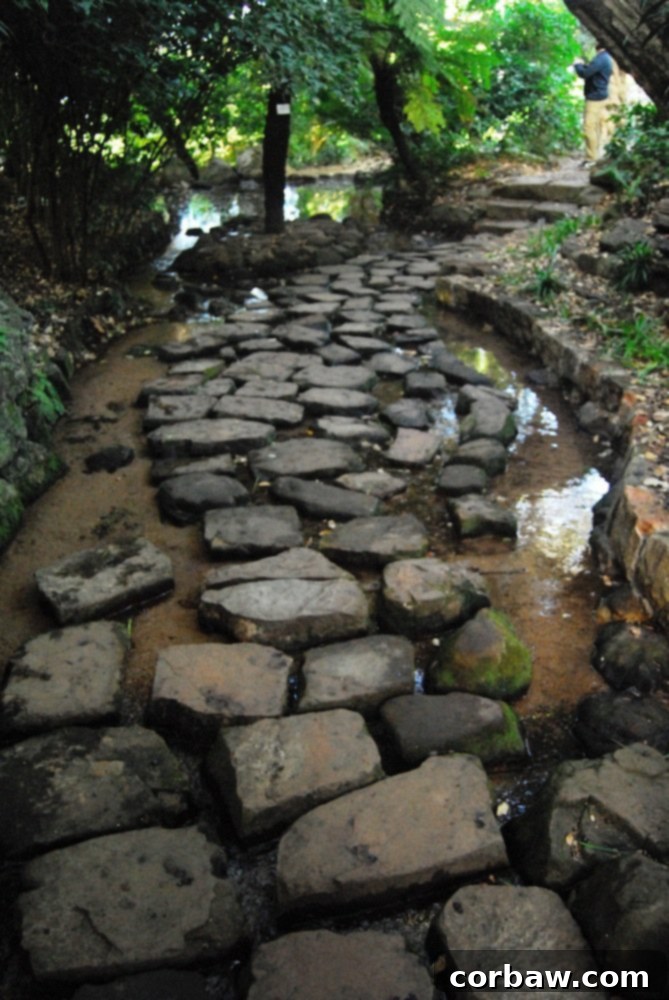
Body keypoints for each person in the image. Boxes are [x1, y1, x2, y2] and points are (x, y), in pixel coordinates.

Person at [573, 45, 614, 166]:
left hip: (595, 98)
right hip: (601, 96)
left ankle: (591, 158)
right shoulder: (606, 58)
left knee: (588, 127)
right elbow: (592, 70)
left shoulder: (601, 58)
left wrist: (577, 64)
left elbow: (585, 73)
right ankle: (596, 156)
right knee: (597, 127)